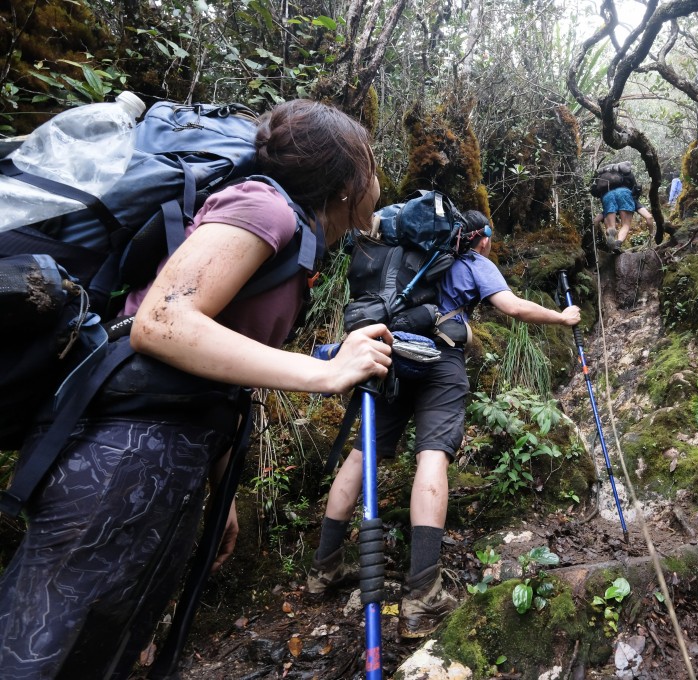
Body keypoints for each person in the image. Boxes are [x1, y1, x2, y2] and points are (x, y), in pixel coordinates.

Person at [0, 99, 392, 679]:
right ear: (345, 182)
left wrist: (220, 485)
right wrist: (325, 374)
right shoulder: (265, 205)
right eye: (372, 164)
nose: (379, 181)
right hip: (121, 453)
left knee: (102, 645)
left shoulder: (296, 234)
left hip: (162, 455)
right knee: (45, 646)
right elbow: (162, 322)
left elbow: (218, 370)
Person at [308, 209, 581, 639]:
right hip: (439, 361)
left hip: (388, 356)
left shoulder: (400, 255)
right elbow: (513, 307)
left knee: (361, 455)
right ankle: (422, 594)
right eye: (488, 237)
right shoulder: (472, 263)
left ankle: (324, 569)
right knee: (432, 457)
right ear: (479, 237)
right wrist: (562, 317)